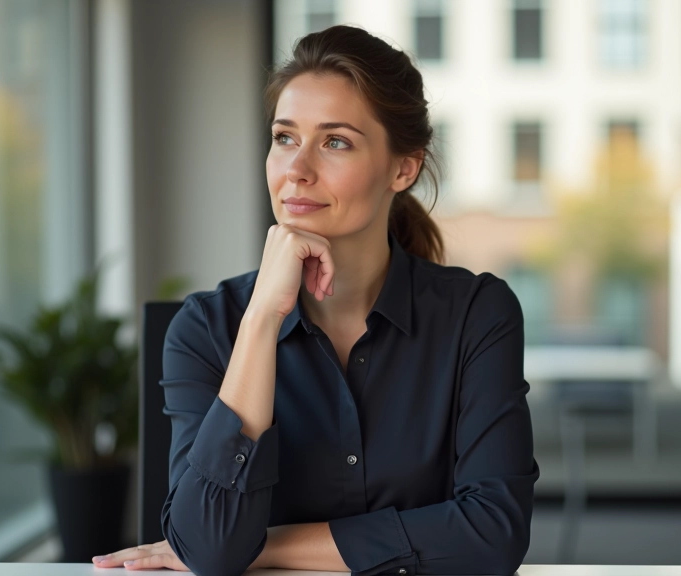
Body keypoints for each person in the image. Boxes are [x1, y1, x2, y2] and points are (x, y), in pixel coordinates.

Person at [93, 24, 539, 576]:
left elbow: (492, 535)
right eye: (284, 137)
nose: (296, 170)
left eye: (335, 142)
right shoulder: (207, 328)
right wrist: (262, 320)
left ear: (404, 167)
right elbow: (207, 546)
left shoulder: (477, 316)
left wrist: (264, 545)